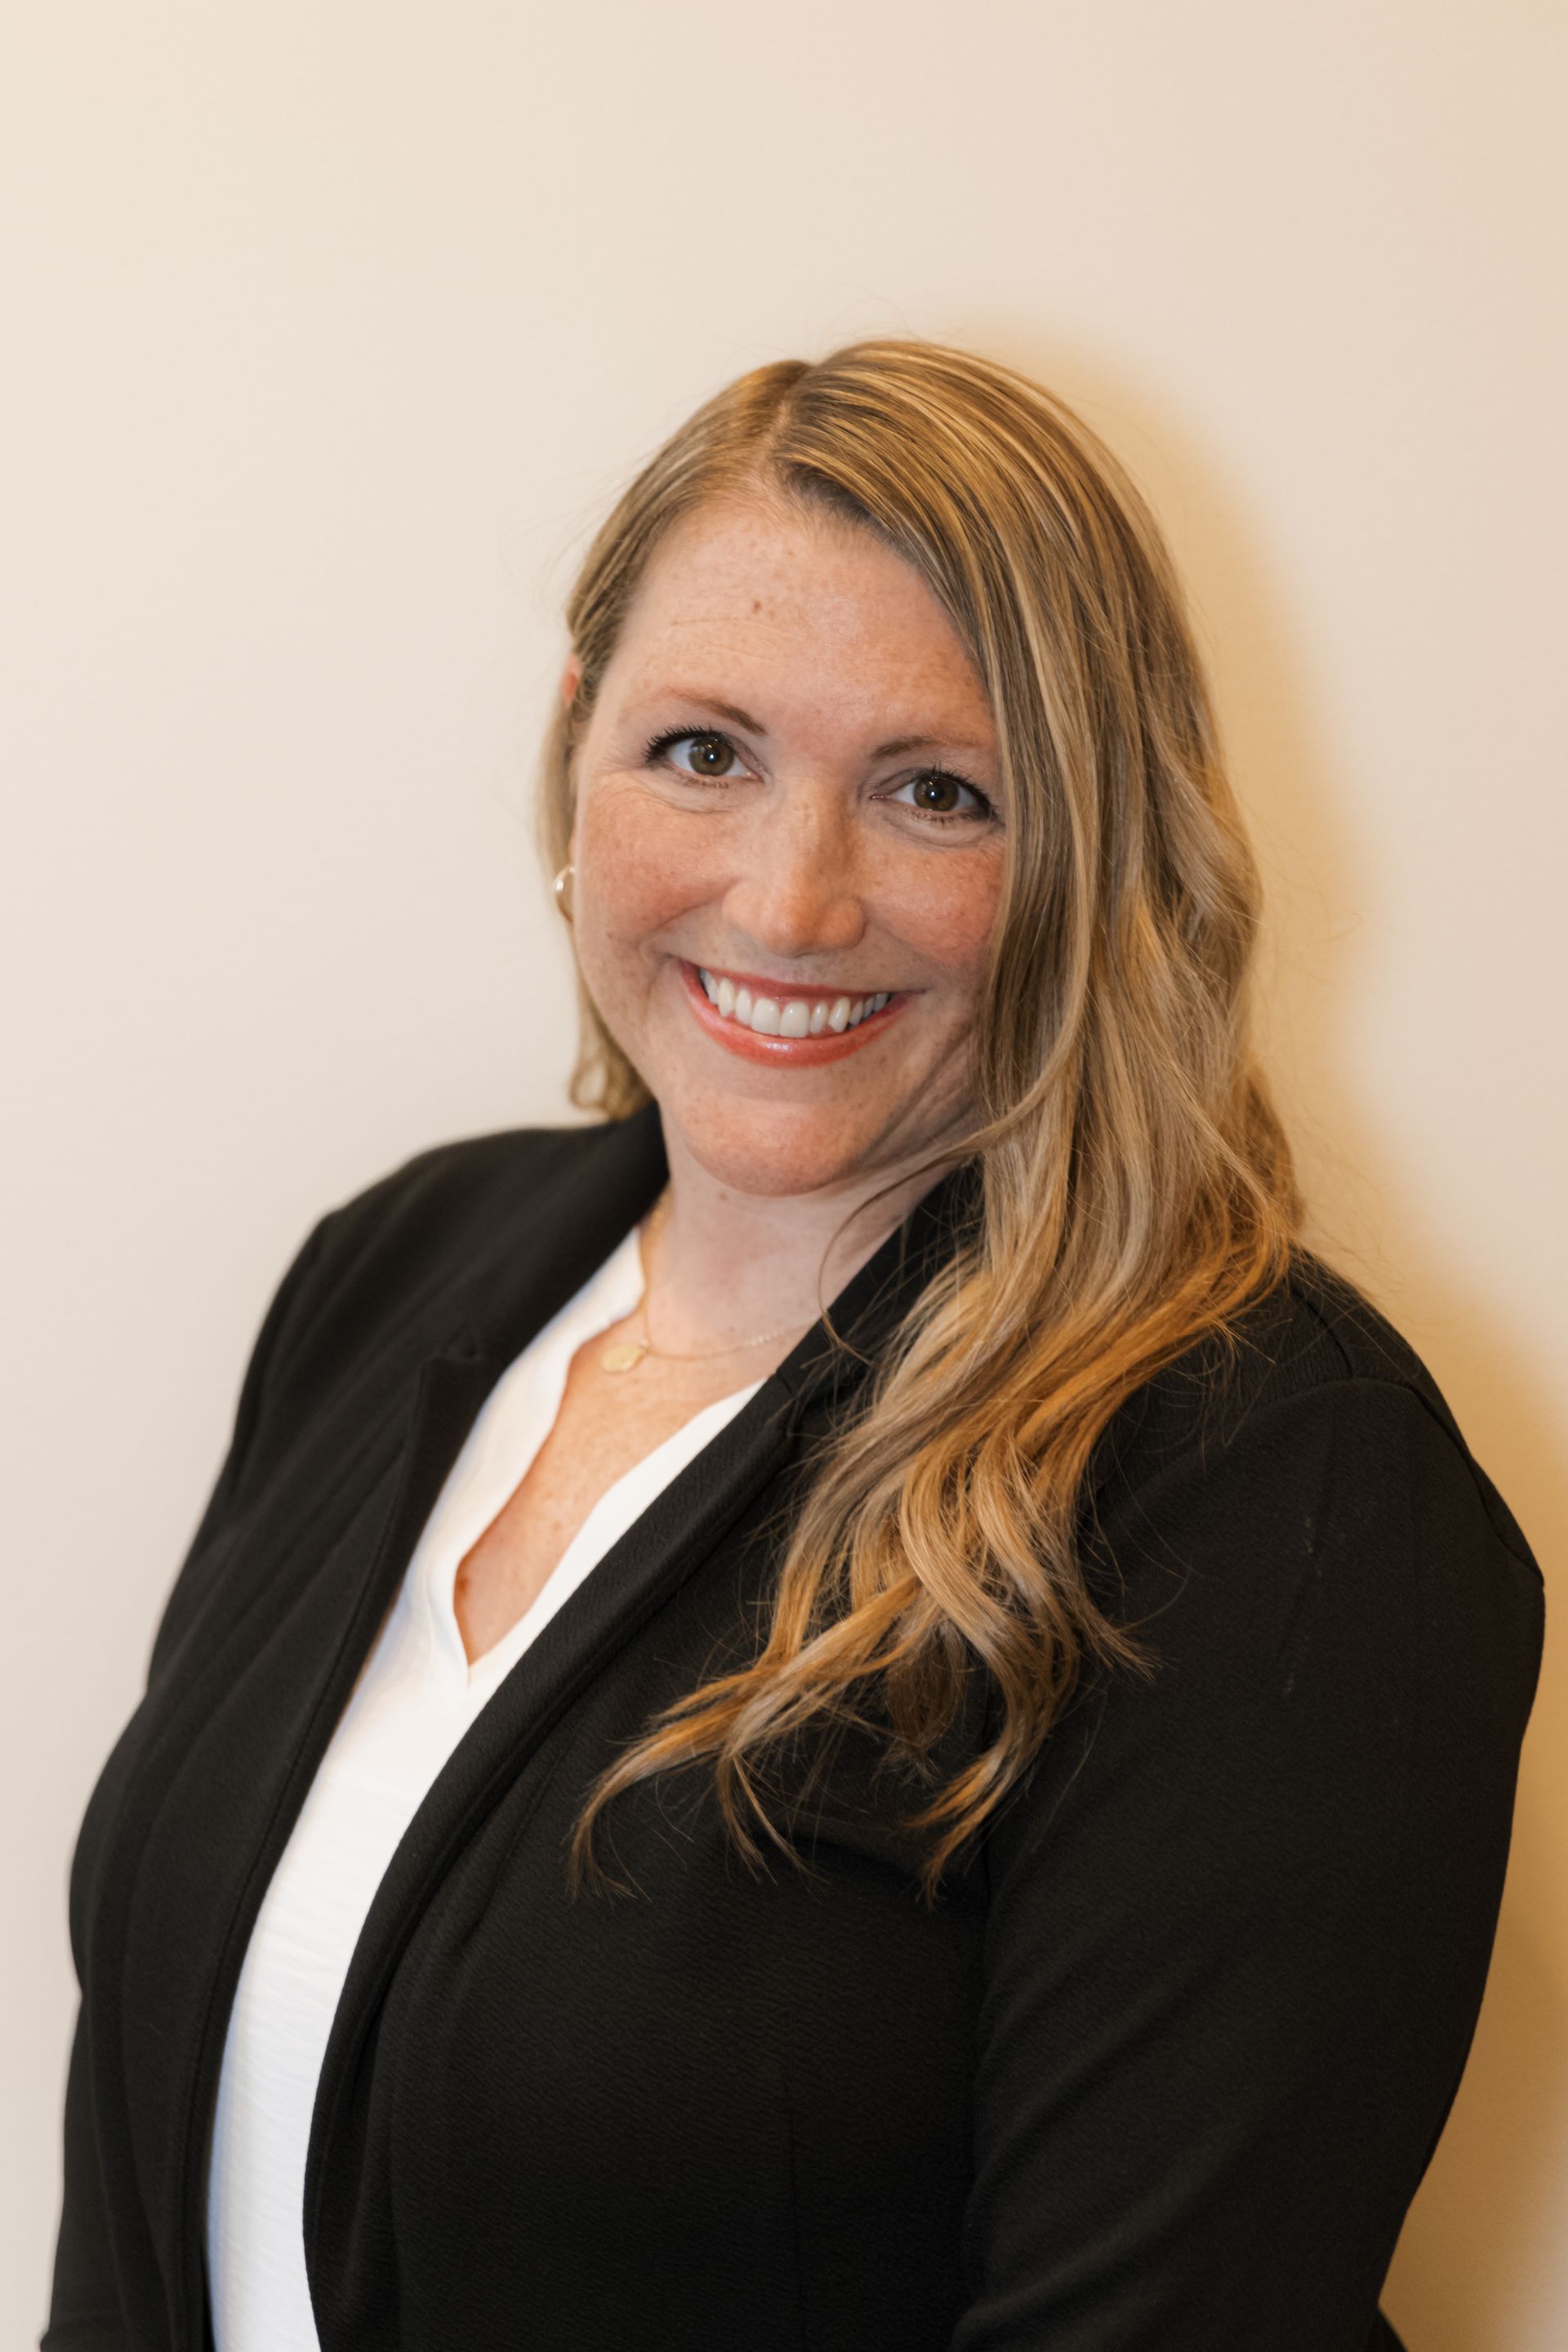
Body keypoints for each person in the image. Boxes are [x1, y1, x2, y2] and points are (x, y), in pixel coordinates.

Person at [46, 339, 1543, 2352]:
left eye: (938, 793)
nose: (791, 895)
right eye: (703, 752)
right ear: (576, 744)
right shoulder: (396, 1271)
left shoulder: (1277, 1488)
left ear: (1094, 857)